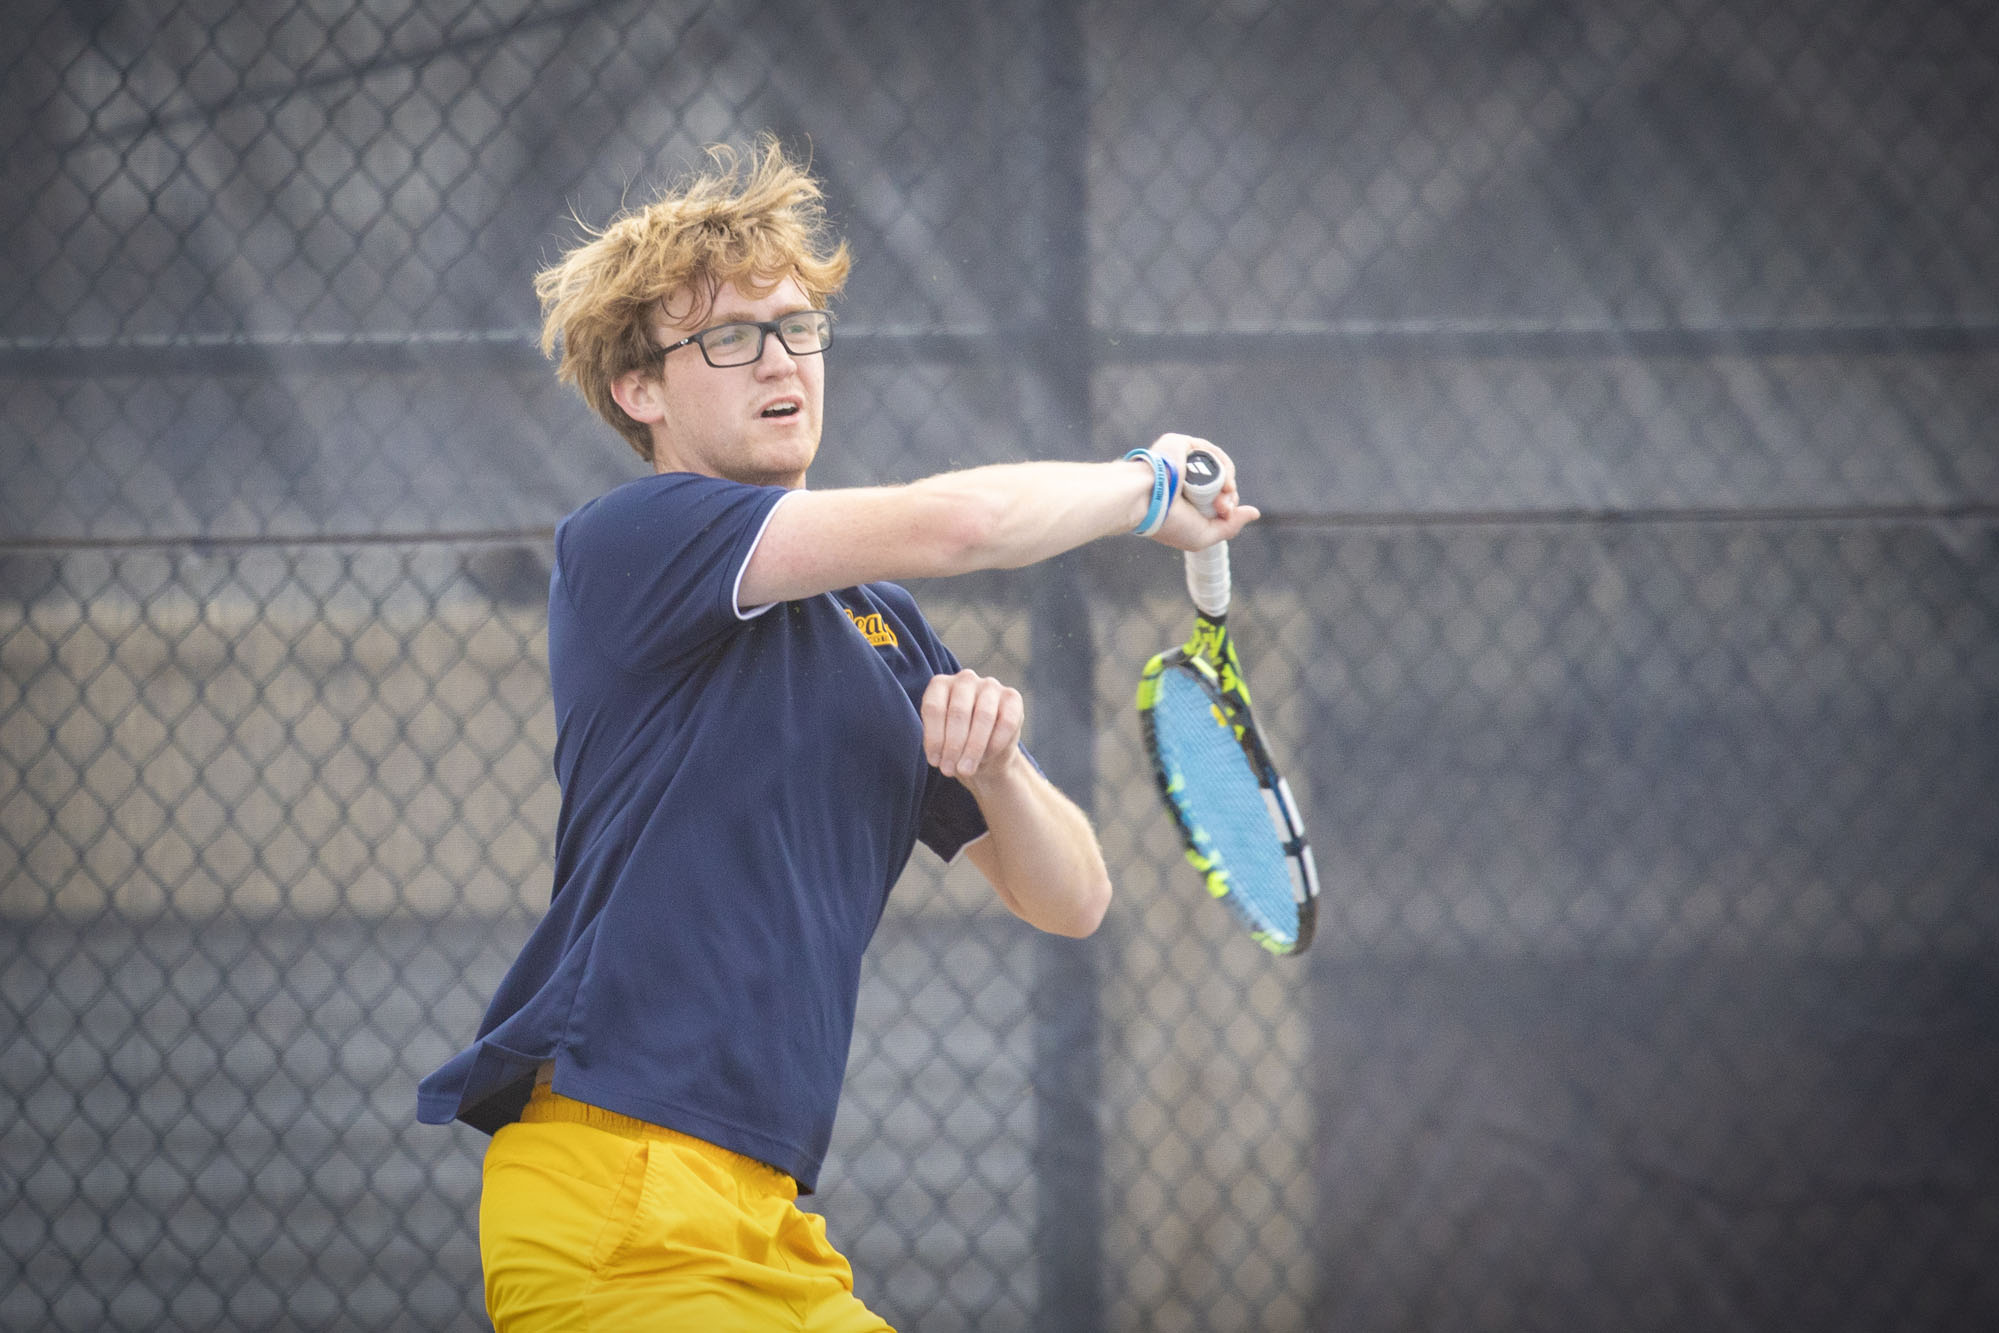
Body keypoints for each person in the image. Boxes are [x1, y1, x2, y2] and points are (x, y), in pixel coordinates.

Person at [416, 136, 1258, 1331]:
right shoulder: (635, 538)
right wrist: (1147, 485)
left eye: (798, 326)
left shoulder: (879, 624)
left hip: (768, 1223)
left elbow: (1072, 899)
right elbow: (964, 522)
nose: (780, 360)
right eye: (729, 337)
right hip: (620, 1202)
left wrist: (1001, 769)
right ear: (638, 392)